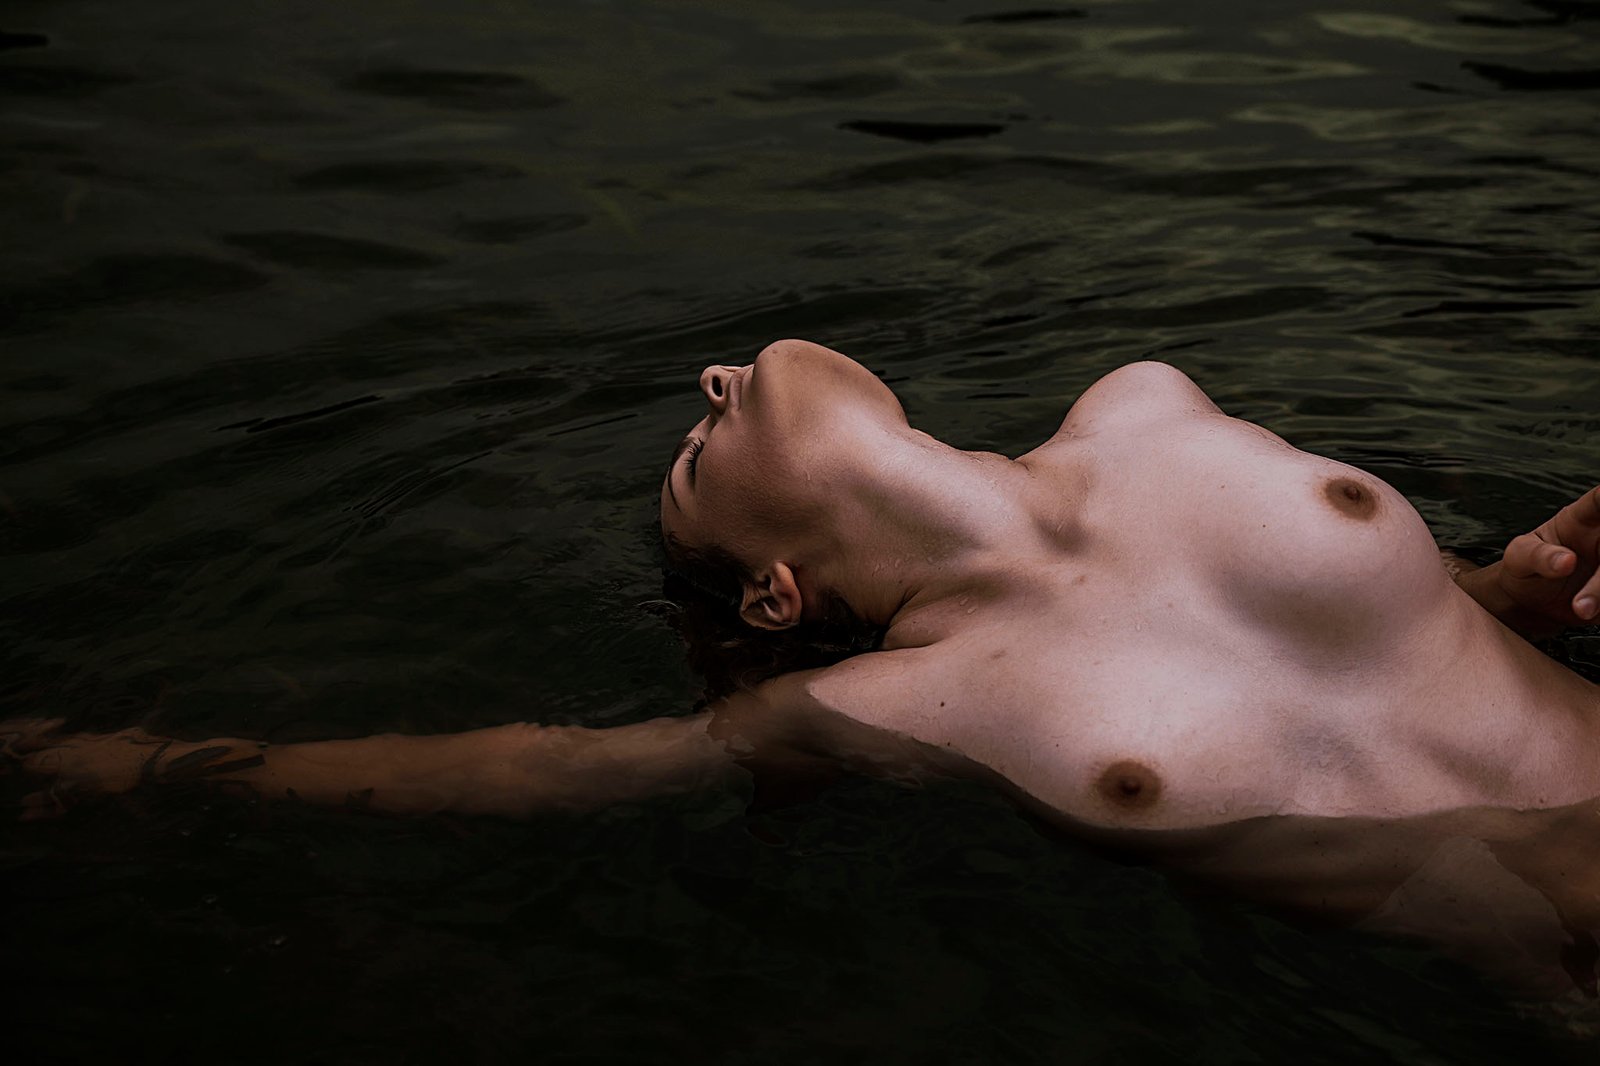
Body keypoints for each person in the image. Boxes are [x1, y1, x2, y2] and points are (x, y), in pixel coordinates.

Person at [7, 339, 1600, 994]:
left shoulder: (1148, 403)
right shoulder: (872, 703)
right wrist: (119, 762)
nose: (712, 379)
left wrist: (1498, 587)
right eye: (694, 453)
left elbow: (1407, 638)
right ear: (777, 597)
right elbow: (525, 770)